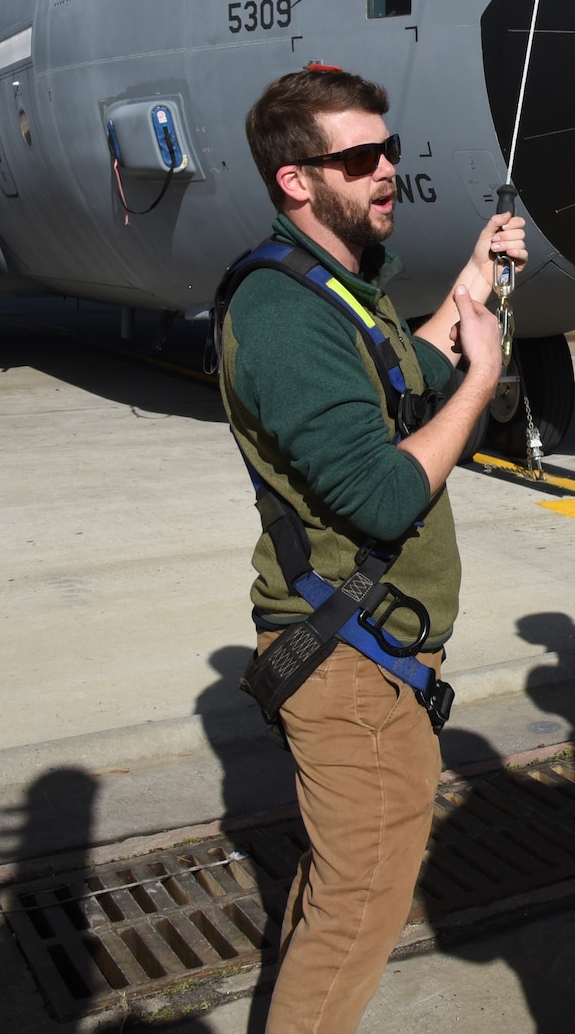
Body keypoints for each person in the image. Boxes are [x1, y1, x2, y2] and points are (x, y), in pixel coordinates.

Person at [217, 65, 526, 1034]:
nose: (387, 167)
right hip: (350, 667)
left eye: (388, 148)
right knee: (359, 912)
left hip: (367, 656)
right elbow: (384, 493)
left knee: (342, 883)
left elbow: (405, 372)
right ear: (296, 180)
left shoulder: (338, 289)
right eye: (359, 156)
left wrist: (473, 281)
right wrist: (483, 384)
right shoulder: (284, 314)